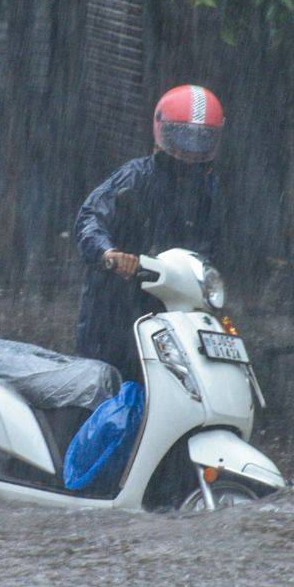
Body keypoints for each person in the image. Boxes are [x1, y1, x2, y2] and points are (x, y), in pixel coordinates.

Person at [73, 84, 226, 379]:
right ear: (163, 132)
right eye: (183, 137)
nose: (191, 149)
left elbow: (210, 244)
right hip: (116, 303)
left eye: (201, 139)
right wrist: (110, 253)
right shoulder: (136, 176)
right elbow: (90, 217)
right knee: (106, 385)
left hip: (173, 304)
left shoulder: (209, 188)